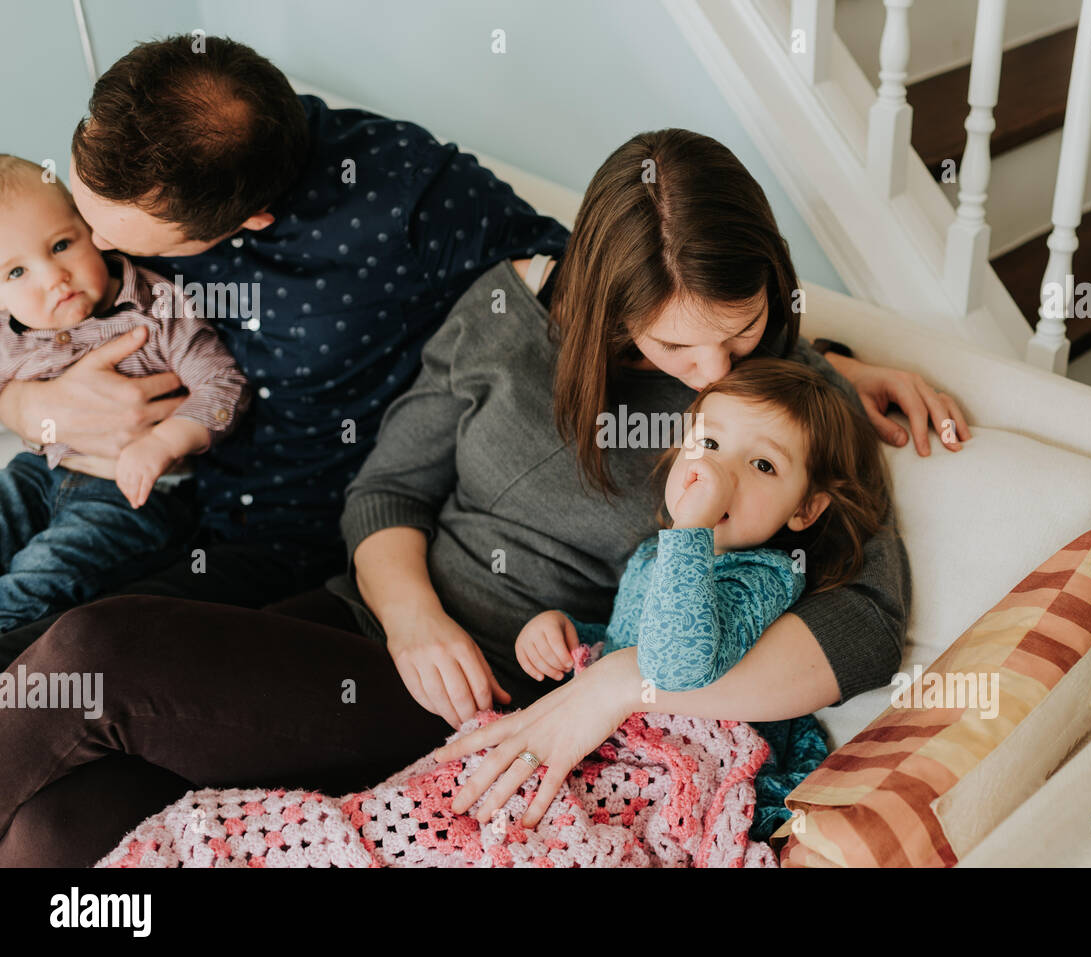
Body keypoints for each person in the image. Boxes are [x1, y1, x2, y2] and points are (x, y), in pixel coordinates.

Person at [0, 129, 970, 866]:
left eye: (743, 327)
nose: (712, 368)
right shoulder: (510, 308)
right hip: (369, 628)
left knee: (96, 647)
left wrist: (621, 681)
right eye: (672, 347)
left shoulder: (791, 408)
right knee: (66, 818)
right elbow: (386, 492)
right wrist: (414, 617)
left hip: (506, 703)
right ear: (596, 293)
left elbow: (864, 628)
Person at [0, 34, 569, 666]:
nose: (92, 247)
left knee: (62, 655)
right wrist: (27, 405)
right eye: (81, 218)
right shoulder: (135, 161)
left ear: (244, 224)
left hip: (282, 529)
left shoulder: (411, 199)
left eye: (108, 236)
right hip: (114, 475)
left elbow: (578, 283)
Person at [515, 357, 892, 838]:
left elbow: (672, 667)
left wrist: (690, 528)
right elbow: (628, 645)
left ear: (804, 508)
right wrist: (564, 633)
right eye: (709, 443)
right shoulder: (655, 553)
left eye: (762, 464)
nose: (718, 472)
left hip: (677, 769)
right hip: (604, 745)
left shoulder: (766, 576)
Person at [0, 155, 248, 632]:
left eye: (61, 244)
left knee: (45, 573)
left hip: (134, 492)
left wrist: (165, 441)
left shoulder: (158, 307)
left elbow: (223, 386)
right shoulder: (9, 331)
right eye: (16, 273)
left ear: (90, 228)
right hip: (37, 471)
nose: (53, 277)